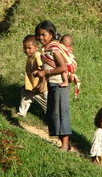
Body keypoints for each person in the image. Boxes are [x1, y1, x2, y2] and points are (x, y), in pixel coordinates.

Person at [33, 20, 72, 151]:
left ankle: (65, 145)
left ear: (51, 34)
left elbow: (63, 67)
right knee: (53, 113)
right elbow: (45, 68)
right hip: (52, 84)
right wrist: (42, 79)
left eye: (43, 34)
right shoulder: (46, 50)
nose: (41, 38)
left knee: (62, 113)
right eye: (39, 35)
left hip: (60, 84)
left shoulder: (54, 49)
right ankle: (64, 143)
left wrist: (45, 72)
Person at [17, 35, 48, 117]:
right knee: (24, 96)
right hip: (31, 86)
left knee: (46, 103)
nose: (27, 50)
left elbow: (43, 69)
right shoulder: (30, 57)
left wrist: (42, 83)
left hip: (40, 87)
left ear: (37, 47)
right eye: (25, 48)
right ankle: (21, 113)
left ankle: (51, 120)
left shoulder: (37, 56)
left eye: (29, 48)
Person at [59, 34, 81, 99]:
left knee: (63, 68)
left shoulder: (62, 48)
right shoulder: (70, 50)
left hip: (68, 65)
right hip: (73, 65)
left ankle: (65, 81)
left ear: (62, 43)